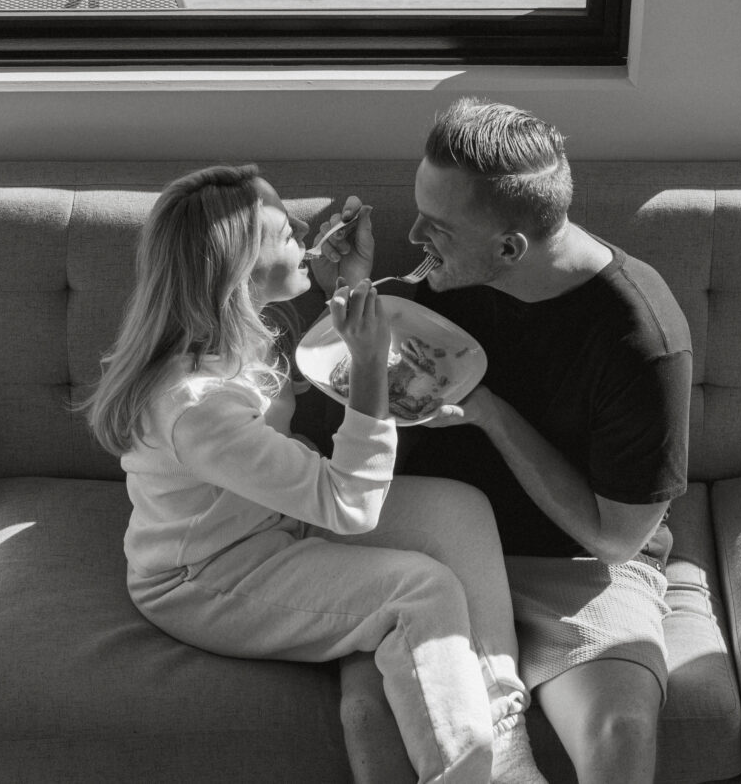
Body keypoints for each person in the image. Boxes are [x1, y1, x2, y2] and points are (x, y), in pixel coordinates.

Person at [82, 164, 547, 784]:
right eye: (283, 233)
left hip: (273, 520)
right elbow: (349, 504)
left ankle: (502, 727)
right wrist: (369, 364)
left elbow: (324, 419)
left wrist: (352, 281)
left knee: (459, 507)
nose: (304, 230)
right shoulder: (197, 409)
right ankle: (468, 772)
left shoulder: (236, 330)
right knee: (421, 591)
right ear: (238, 272)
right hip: (207, 575)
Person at [315, 99, 692, 783]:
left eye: (437, 227)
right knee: (372, 725)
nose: (415, 235)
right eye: (417, 210)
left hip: (576, 566)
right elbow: (364, 381)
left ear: (511, 248)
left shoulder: (638, 337)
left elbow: (616, 538)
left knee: (621, 730)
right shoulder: (441, 283)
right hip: (433, 556)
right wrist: (352, 289)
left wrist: (489, 411)